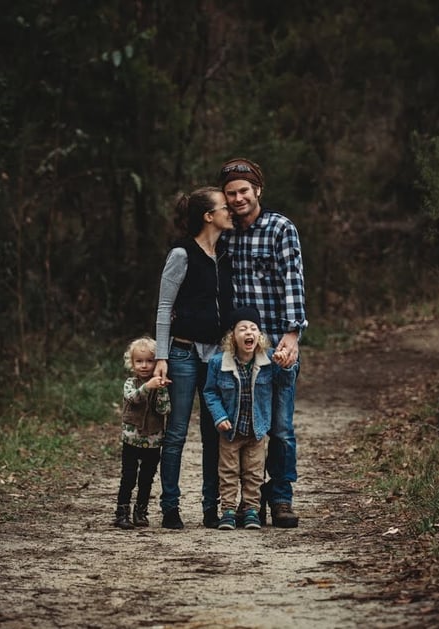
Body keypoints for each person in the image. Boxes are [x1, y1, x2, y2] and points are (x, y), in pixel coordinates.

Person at [217, 157, 308, 528]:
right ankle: (239, 503)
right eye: (231, 193)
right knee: (242, 427)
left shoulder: (280, 229)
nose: (238, 198)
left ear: (257, 191)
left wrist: (292, 334)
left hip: (276, 345)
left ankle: (281, 497)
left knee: (280, 428)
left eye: (243, 191)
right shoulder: (224, 233)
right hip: (238, 348)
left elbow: (294, 282)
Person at [154, 186, 234, 529]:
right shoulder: (182, 254)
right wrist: (162, 356)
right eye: (224, 206)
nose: (230, 210)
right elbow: (164, 308)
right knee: (176, 434)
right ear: (208, 216)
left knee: (214, 433)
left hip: (217, 356)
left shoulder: (226, 254)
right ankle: (170, 507)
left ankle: (210, 508)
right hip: (183, 353)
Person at [203, 306, 297, 530]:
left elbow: (285, 384)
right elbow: (210, 392)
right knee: (228, 472)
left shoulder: (269, 361)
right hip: (230, 431)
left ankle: (251, 511)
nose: (249, 333)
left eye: (253, 328)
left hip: (257, 430)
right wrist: (219, 416)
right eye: (242, 328)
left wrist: (286, 366)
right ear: (232, 336)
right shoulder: (218, 363)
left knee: (254, 473)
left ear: (259, 336)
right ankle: (227, 510)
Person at [114, 336, 171, 530]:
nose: (144, 366)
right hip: (132, 439)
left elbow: (164, 410)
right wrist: (148, 386)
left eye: (149, 361)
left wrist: (161, 390)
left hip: (153, 441)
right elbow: (133, 399)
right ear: (132, 363)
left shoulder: (160, 385)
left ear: (157, 363)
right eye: (139, 361)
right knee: (128, 476)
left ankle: (141, 511)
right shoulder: (131, 383)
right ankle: (122, 512)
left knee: (146, 478)